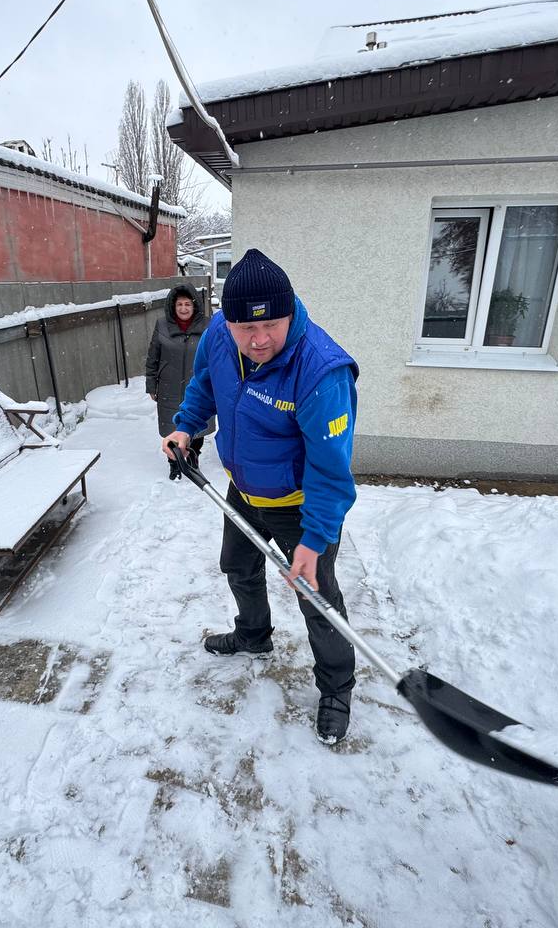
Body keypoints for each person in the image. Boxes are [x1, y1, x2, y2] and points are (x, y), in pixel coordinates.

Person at [161, 248, 359, 745]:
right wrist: (185, 427)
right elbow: (205, 385)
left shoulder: (321, 371)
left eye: (272, 324)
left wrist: (314, 541)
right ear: (226, 322)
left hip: (299, 505)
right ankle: (253, 635)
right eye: (246, 327)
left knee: (318, 600)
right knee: (238, 567)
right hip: (245, 490)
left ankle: (336, 688)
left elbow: (331, 472)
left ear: (290, 312)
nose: (259, 339)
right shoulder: (219, 336)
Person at [145, 283, 214, 479]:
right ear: (173, 306)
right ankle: (174, 463)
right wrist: (151, 385)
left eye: (187, 304)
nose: (184, 308)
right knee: (172, 427)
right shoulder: (162, 326)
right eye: (179, 305)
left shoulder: (208, 326)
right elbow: (153, 357)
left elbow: (215, 358)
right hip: (169, 386)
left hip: (199, 387)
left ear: (195, 306)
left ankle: (192, 459)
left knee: (197, 425)